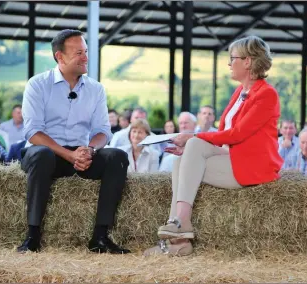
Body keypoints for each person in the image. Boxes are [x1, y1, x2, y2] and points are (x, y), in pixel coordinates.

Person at [144, 35, 283, 256]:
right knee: (182, 159)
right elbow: (222, 135)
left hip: (253, 167)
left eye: (232, 58)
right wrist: (190, 147)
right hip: (232, 159)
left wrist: (190, 138)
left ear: (247, 61)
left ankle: (180, 228)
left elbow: (237, 135)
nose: (229, 63)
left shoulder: (267, 94)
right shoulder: (240, 92)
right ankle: (179, 235)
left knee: (194, 146)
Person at [18, 29, 130, 254]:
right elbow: (32, 131)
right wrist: (68, 154)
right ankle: (32, 236)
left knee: (117, 157)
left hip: (80, 156)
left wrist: (89, 150)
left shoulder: (96, 89)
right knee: (42, 154)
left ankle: (100, 237)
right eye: (79, 52)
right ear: (60, 57)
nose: (86, 58)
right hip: (45, 154)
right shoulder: (37, 84)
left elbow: (102, 131)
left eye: (86, 51)